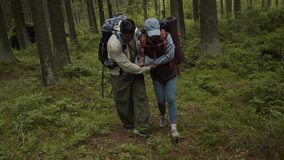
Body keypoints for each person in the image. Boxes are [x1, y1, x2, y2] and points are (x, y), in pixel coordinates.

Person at [107, 19, 155, 138]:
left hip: (136, 69)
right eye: (127, 35)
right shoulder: (113, 44)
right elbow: (126, 66)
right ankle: (129, 124)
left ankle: (142, 127)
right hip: (119, 73)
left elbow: (142, 48)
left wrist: (142, 58)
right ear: (122, 32)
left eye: (131, 34)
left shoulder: (137, 33)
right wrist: (147, 69)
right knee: (123, 101)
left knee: (141, 97)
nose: (129, 37)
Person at [139, 18, 180, 139]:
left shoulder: (166, 36)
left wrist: (153, 63)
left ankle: (174, 128)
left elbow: (170, 55)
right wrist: (142, 62)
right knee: (161, 100)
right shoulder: (142, 40)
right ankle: (163, 116)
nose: (154, 37)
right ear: (146, 32)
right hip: (156, 75)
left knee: (171, 99)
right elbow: (140, 56)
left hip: (169, 72)